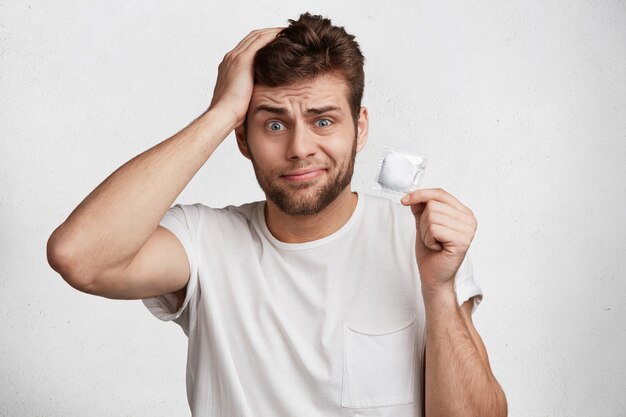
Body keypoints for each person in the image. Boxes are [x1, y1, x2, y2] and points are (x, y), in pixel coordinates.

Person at [47, 12, 507, 417]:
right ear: (242, 140)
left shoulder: (418, 240)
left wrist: (439, 290)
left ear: (359, 127)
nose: (300, 148)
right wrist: (223, 111)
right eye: (273, 124)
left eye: (323, 120)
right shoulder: (204, 242)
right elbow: (79, 257)